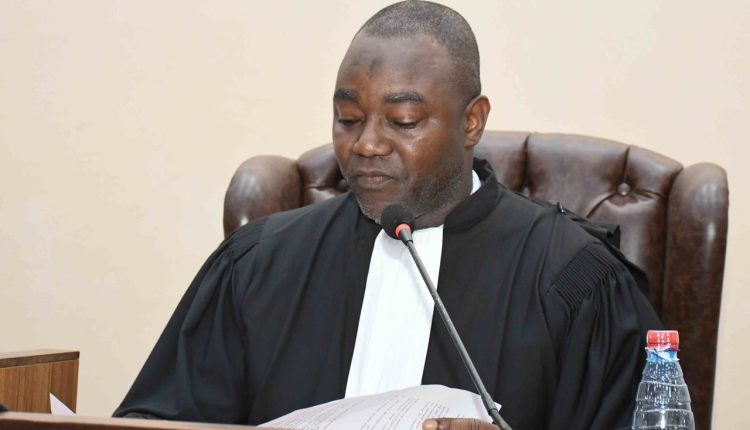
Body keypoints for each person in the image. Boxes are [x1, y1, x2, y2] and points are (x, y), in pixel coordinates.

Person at [114, 2, 661, 429]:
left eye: (403, 121)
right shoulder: (256, 265)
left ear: (472, 122)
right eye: (348, 119)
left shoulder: (577, 280)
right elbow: (158, 420)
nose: (367, 145)